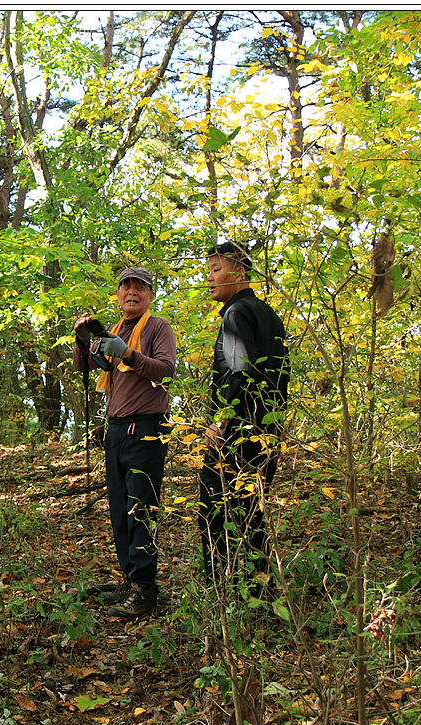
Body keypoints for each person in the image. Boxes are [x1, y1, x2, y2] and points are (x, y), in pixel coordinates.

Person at [74, 265, 177, 619]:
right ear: (117, 295)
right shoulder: (114, 330)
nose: (132, 292)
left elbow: (166, 370)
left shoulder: (158, 327)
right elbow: (88, 367)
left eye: (139, 287)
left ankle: (145, 590)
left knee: (140, 508)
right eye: (126, 287)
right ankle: (130, 579)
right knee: (119, 508)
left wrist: (128, 353)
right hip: (116, 430)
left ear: (150, 295)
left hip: (146, 428)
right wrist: (83, 341)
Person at [198, 241, 289, 598]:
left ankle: (222, 597)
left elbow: (240, 371)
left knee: (216, 512)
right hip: (266, 431)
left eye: (216, 269)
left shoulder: (236, 313)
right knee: (250, 515)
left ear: (239, 272)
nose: (209, 278)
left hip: (237, 434)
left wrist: (219, 422)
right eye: (208, 271)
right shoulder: (269, 314)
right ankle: (259, 597)